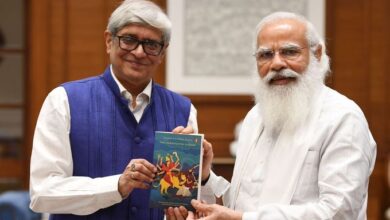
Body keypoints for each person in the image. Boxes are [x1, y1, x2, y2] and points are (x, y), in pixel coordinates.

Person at [176, 11, 377, 220]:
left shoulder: (343, 118)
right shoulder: (256, 117)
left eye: (289, 52)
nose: (277, 64)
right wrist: (206, 176)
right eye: (266, 55)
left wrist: (242, 219)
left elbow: (339, 212)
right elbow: (243, 203)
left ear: (317, 54)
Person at [29, 0, 203, 219]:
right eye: (129, 40)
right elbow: (42, 193)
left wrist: (185, 211)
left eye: (151, 44)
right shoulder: (63, 101)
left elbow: (193, 201)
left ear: (162, 52)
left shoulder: (184, 110)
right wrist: (116, 186)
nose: (139, 53)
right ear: (109, 41)